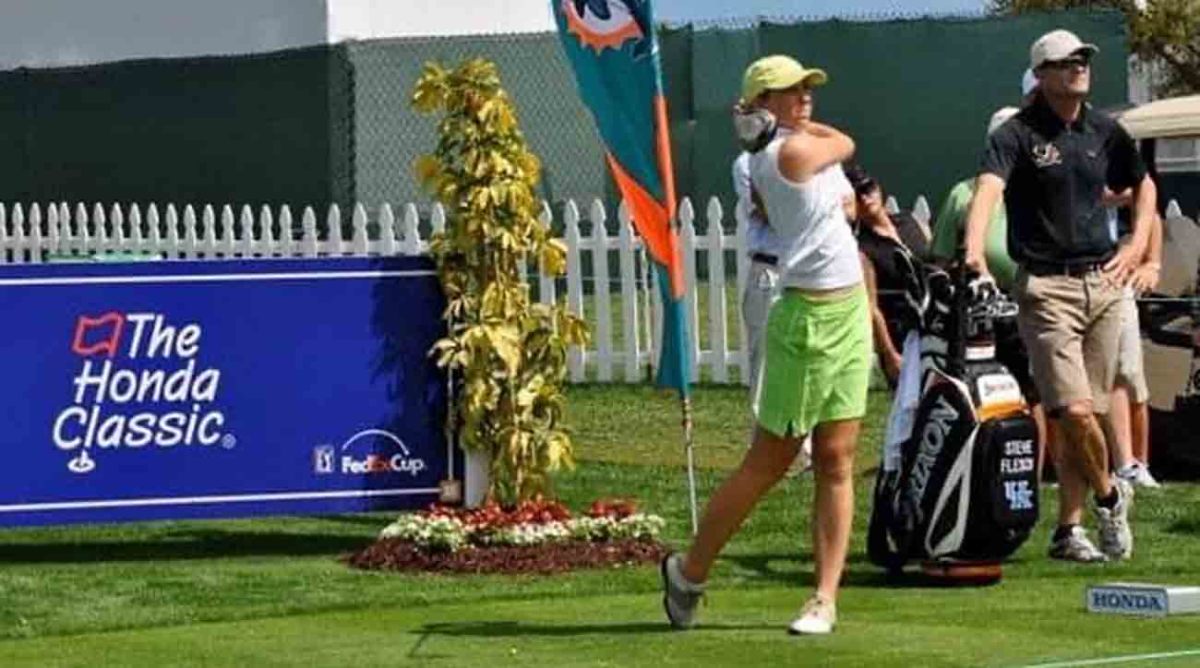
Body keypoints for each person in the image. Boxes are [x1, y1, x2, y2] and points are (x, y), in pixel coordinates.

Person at [662, 54, 869, 635]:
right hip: (804, 318)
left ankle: (824, 598)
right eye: (787, 91)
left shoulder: (791, 142)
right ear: (759, 105)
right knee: (769, 462)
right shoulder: (788, 154)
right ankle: (689, 572)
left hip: (848, 307)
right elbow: (847, 143)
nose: (803, 97)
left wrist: (789, 121)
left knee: (837, 458)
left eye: (807, 87)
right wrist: (797, 130)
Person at [964, 29, 1158, 563]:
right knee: (1072, 411)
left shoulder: (1104, 130)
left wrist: (1137, 245)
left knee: (1089, 416)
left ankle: (1068, 530)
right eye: (1065, 62)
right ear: (1041, 75)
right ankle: (1110, 496)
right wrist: (975, 251)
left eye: (1083, 60)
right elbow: (988, 189)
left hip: (1103, 281)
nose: (1078, 67)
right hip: (1046, 287)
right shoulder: (1017, 135)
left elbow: (1144, 185)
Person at [929, 107, 1049, 479]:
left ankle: (1031, 472)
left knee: (1034, 393)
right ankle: (978, 468)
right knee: (977, 388)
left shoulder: (1043, 193)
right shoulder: (964, 194)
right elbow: (941, 256)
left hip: (1032, 303)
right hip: (978, 311)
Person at [845, 164, 929, 387]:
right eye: (857, 194)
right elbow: (871, 307)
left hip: (932, 323)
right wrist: (890, 354)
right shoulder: (862, 247)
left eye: (868, 188)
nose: (865, 198)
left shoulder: (910, 222)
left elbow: (933, 261)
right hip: (899, 330)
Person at [1101, 190, 1163, 488]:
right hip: (1071, 282)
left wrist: (1152, 263)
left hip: (1116, 284)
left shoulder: (1114, 167)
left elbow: (1149, 210)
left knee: (1127, 374)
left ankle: (1137, 465)